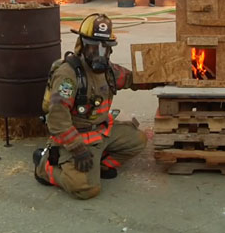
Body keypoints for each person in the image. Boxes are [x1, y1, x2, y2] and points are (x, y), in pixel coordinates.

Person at [33, 13, 160, 199]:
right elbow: (57, 120)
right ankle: (45, 169)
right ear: (83, 45)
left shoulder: (109, 72)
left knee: (138, 141)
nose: (101, 53)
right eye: (94, 47)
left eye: (105, 47)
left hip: (101, 132)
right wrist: (77, 148)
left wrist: (161, 80)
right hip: (76, 137)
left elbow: (133, 80)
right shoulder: (68, 75)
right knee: (86, 190)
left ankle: (98, 166)